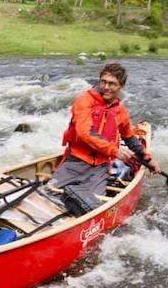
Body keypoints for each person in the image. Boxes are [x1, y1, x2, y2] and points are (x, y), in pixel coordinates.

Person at [48, 63, 160, 206]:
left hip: (100, 167)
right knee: (47, 194)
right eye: (103, 82)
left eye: (112, 84)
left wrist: (149, 161)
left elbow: (130, 138)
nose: (106, 87)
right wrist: (114, 150)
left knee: (91, 205)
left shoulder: (120, 110)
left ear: (121, 86)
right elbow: (85, 132)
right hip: (75, 160)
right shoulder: (84, 101)